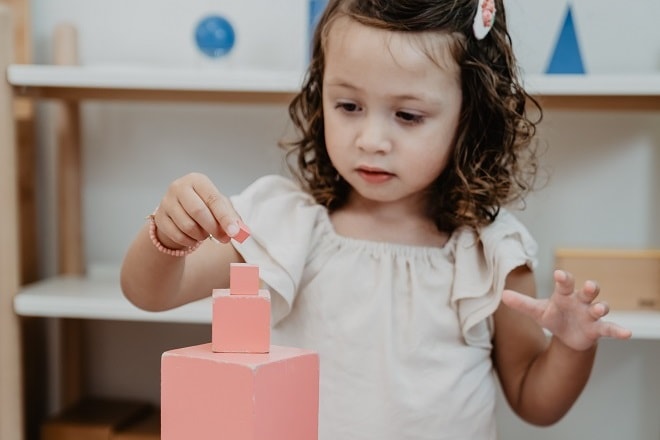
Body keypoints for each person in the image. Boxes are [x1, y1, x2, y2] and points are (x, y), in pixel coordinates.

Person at [121, 0, 632, 438]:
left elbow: (534, 401)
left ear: (470, 115)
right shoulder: (285, 226)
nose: (371, 139)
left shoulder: (491, 253)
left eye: (407, 116)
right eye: (348, 105)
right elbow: (151, 292)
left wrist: (570, 347)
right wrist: (167, 235)